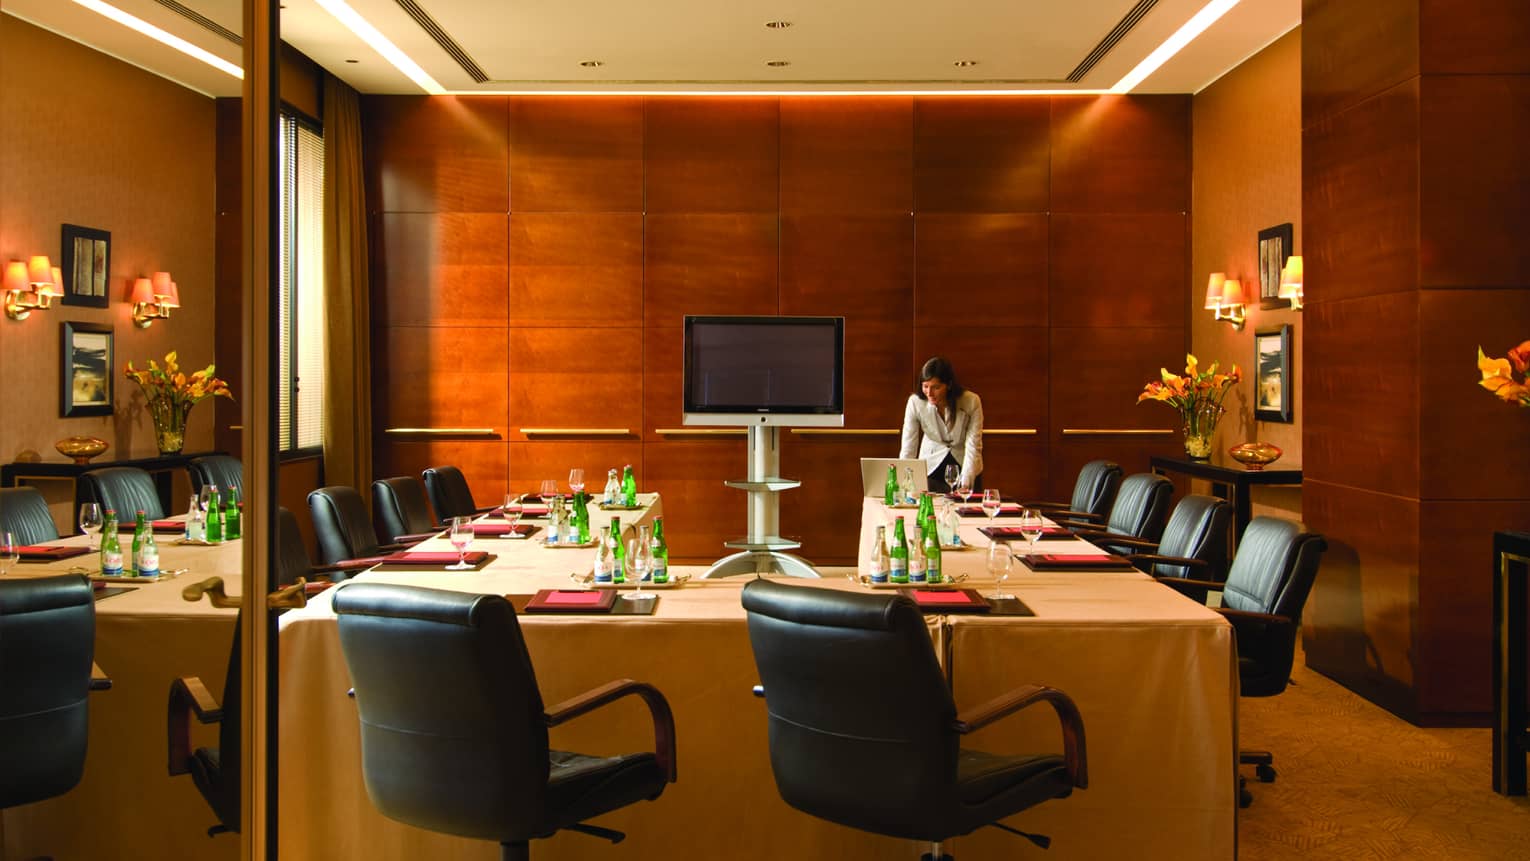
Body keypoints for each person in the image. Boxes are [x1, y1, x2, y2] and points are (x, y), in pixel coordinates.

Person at [900, 356, 983, 492]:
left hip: (965, 463)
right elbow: (909, 445)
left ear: (949, 385)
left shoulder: (971, 401)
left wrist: (966, 481)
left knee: (967, 510)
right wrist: (904, 480)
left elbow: (973, 444)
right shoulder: (915, 403)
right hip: (932, 465)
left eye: (936, 387)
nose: (929, 393)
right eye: (925, 386)